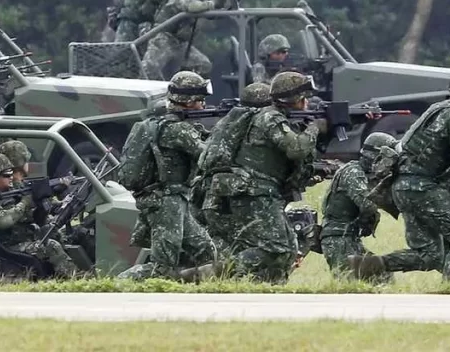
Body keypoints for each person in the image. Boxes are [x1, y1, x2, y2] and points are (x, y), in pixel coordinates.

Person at [349, 68, 450, 280]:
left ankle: (368, 266)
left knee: (428, 255)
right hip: (421, 187)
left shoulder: (439, 108)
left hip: (404, 187)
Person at [191, 72, 322, 283]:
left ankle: (267, 287)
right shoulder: (270, 117)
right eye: (303, 98)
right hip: (255, 192)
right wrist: (315, 128)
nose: (307, 103)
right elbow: (296, 149)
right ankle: (208, 274)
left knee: (287, 250)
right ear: (294, 100)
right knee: (277, 249)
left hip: (258, 191)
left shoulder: (274, 118)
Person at [117, 71, 217, 280]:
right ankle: (117, 285)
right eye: (200, 100)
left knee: (206, 252)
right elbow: (208, 156)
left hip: (175, 199)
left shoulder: (168, 122)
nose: (203, 105)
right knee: (162, 267)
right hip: (165, 203)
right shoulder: (176, 129)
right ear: (188, 101)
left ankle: (194, 292)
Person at [197, 82, 271, 254]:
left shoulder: (229, 123)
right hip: (231, 201)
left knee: (227, 245)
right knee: (262, 247)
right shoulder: (254, 127)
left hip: (214, 199)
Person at [0, 151, 79, 278]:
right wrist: (25, 203)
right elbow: (3, 221)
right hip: (6, 246)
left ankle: (57, 275)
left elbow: (33, 218)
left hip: (24, 237)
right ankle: (75, 279)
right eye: (6, 174)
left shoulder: (13, 190)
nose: (11, 177)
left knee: (54, 233)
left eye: (12, 173)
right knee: (52, 246)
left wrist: (41, 201)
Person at [141, 0, 231, 80]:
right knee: (149, 68)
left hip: (180, 42)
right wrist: (213, 3)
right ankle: (161, 94)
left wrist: (227, 2)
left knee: (203, 65)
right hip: (164, 38)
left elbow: (211, 15)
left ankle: (186, 92)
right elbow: (191, 6)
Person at [320, 132, 389, 281]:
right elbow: (368, 205)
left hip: (349, 239)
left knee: (383, 275)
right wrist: (368, 220)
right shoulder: (353, 173)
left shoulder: (362, 173)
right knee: (349, 284)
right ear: (375, 157)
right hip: (338, 240)